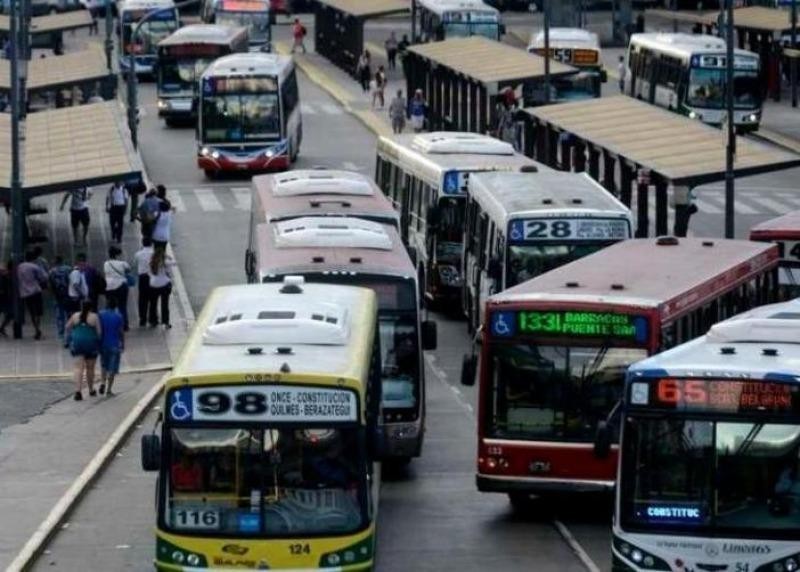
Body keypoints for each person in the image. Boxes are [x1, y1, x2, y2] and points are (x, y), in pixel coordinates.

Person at [65, 300, 101, 401]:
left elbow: (67, 327)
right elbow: (99, 332)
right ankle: (91, 389)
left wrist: (72, 335)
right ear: (91, 308)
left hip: (78, 343)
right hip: (90, 344)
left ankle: (78, 392)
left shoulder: (75, 316)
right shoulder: (94, 317)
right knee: (90, 368)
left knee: (78, 368)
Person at [17, 251, 48, 340]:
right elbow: (43, 277)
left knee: (32, 312)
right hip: (35, 291)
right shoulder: (34, 266)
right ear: (33, 258)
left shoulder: (19, 266)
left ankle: (36, 329)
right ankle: (37, 330)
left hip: (25, 293)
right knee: (38, 312)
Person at [98, 296, 124, 396]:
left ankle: (102, 382)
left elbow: (99, 329)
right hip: (114, 344)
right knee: (112, 368)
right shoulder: (118, 316)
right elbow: (121, 332)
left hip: (103, 344)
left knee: (104, 365)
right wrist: (123, 344)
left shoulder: (101, 314)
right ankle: (109, 390)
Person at [103, 245, 132, 331]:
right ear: (117, 255)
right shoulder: (123, 263)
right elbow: (128, 270)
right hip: (121, 285)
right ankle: (124, 325)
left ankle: (107, 324)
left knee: (108, 305)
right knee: (122, 306)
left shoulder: (106, 264)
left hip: (109, 286)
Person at [48, 255, 73, 341]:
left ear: (55, 262)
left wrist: (52, 294)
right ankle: (69, 332)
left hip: (57, 296)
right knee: (69, 314)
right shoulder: (69, 269)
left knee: (59, 315)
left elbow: (50, 285)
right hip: (68, 295)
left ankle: (61, 333)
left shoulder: (51, 271)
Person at [148, 249, 173, 328]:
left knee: (153, 304)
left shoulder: (151, 263)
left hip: (153, 285)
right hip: (164, 285)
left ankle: (153, 321)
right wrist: (168, 257)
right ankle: (166, 322)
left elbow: (149, 273)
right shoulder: (165, 263)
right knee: (164, 304)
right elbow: (174, 264)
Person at [134, 237, 154, 327]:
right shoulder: (154, 253)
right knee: (153, 298)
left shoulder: (138, 254)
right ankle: (152, 318)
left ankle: (142, 319)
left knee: (142, 299)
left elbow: (135, 264)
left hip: (142, 277)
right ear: (151, 244)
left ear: (142, 243)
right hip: (152, 277)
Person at [0, 262, 13, 336]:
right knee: (10, 314)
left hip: (5, 298)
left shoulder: (6, 274)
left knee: (10, 314)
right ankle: (2, 327)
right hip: (4, 298)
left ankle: (2, 328)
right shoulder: (5, 274)